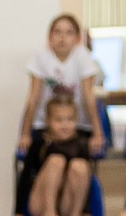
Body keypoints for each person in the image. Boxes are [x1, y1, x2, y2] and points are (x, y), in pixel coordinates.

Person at [19, 12, 106, 162]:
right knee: (51, 160)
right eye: (57, 32)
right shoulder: (40, 56)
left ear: (77, 38)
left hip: (77, 125)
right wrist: (24, 134)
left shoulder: (82, 57)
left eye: (69, 32)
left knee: (75, 164)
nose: (62, 38)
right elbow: (33, 98)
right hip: (45, 125)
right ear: (49, 36)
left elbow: (88, 97)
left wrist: (98, 134)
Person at [17, 93, 97, 216]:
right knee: (56, 161)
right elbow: (25, 177)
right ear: (48, 121)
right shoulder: (40, 143)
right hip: (40, 205)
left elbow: (85, 181)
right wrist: (18, 213)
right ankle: (49, 212)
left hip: (66, 205)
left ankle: (75, 214)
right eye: (58, 120)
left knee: (80, 165)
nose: (64, 125)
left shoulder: (81, 143)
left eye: (70, 119)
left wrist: (86, 210)